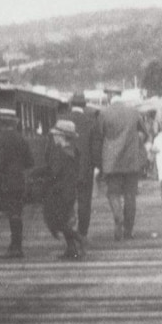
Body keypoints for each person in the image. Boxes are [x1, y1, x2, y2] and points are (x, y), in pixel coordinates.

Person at [92, 95, 148, 241]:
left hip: (111, 162)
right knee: (130, 196)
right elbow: (145, 133)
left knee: (113, 193)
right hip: (131, 161)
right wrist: (137, 142)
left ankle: (118, 216)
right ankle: (128, 231)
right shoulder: (134, 112)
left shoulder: (104, 113)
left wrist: (99, 162)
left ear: (111, 102)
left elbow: (98, 136)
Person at [38, 119, 83, 260]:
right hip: (69, 190)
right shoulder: (73, 151)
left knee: (58, 221)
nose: (54, 137)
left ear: (63, 136)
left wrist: (40, 178)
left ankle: (80, 241)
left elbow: (54, 173)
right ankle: (72, 250)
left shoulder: (59, 153)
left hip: (59, 192)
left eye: (56, 135)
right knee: (64, 220)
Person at [0, 108, 33, 258]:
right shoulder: (21, 138)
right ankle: (16, 245)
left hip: (6, 181)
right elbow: (29, 161)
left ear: (1, 123)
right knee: (17, 212)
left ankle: (16, 247)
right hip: (20, 179)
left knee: (12, 213)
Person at [63, 92, 97, 241]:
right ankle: (83, 233)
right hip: (85, 168)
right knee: (84, 203)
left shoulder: (62, 120)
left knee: (66, 202)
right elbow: (95, 148)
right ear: (84, 105)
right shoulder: (91, 121)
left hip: (65, 169)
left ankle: (70, 236)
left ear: (71, 105)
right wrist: (96, 166)